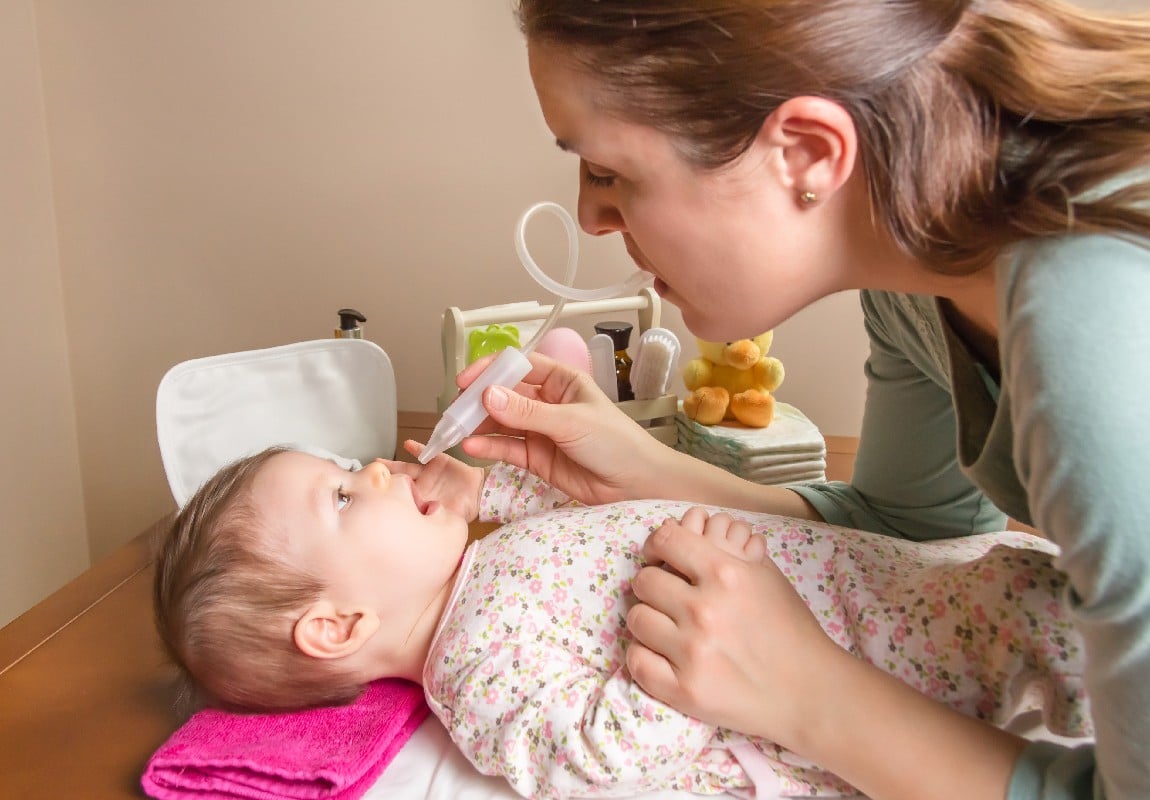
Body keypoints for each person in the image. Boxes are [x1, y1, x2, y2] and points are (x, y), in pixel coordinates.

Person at [439, 2, 1150, 799]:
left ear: (806, 152)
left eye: (608, 172)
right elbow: (912, 529)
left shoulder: (1102, 335)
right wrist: (645, 473)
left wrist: (805, 693)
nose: (589, 217)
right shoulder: (917, 291)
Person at [155, 445, 1088, 800]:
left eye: (349, 466)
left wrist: (493, 479)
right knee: (1041, 648)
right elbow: (597, 758)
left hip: (893, 583)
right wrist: (690, 662)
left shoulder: (480, 558)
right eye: (344, 500)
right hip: (870, 654)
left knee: (1025, 591)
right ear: (338, 626)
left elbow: (565, 517)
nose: (378, 473)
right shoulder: (476, 674)